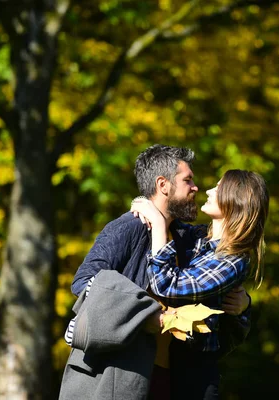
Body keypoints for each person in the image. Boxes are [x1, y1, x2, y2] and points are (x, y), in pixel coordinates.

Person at [60, 145, 252, 400]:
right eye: (188, 180)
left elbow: (213, 301)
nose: (196, 187)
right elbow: (84, 282)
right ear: (163, 185)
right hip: (118, 373)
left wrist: (244, 307)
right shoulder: (128, 227)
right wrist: (149, 316)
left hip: (171, 377)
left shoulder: (188, 239)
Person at [130, 169, 269, 357]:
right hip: (166, 358)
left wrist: (157, 223)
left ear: (236, 201)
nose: (209, 191)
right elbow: (166, 215)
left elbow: (166, 285)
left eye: (219, 189)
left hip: (194, 372)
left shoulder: (232, 261)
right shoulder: (199, 238)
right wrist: (143, 204)